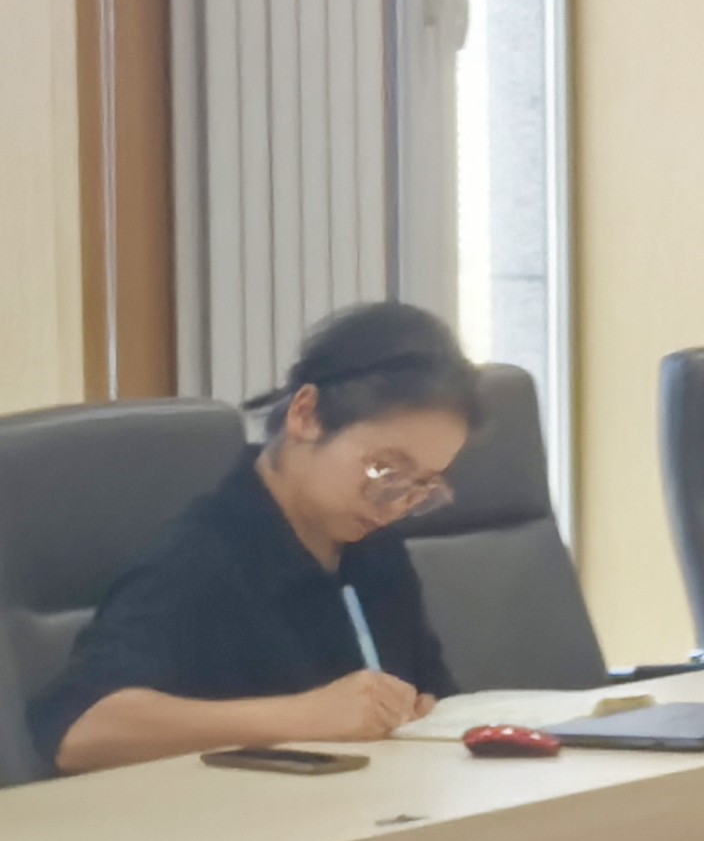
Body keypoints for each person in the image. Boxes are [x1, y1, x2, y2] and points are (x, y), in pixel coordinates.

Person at [34, 302, 476, 773]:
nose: (395, 503)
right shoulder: (203, 557)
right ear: (306, 415)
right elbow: (77, 733)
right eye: (385, 470)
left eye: (422, 487)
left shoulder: (375, 551)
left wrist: (418, 712)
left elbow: (432, 695)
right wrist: (304, 717)